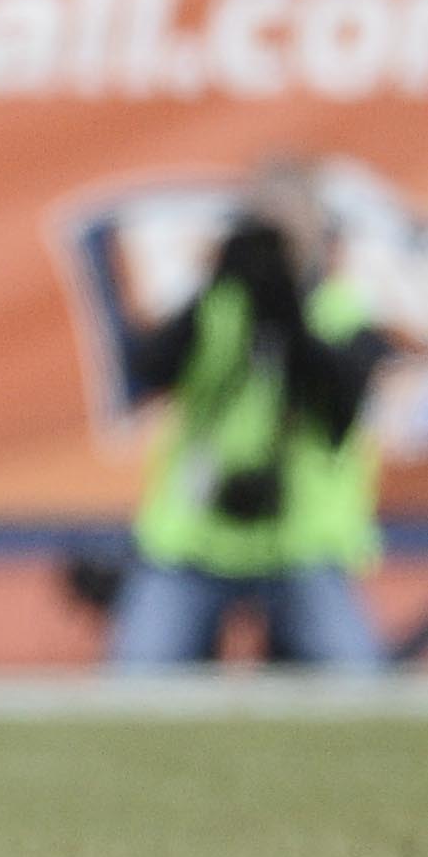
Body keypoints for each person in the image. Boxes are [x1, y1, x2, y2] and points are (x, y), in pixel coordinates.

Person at [107, 194, 391, 670]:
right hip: (195, 539)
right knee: (136, 679)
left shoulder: (343, 313)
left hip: (302, 543)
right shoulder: (216, 310)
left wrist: (288, 312)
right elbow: (145, 371)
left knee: (357, 685)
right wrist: (216, 281)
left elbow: (339, 405)